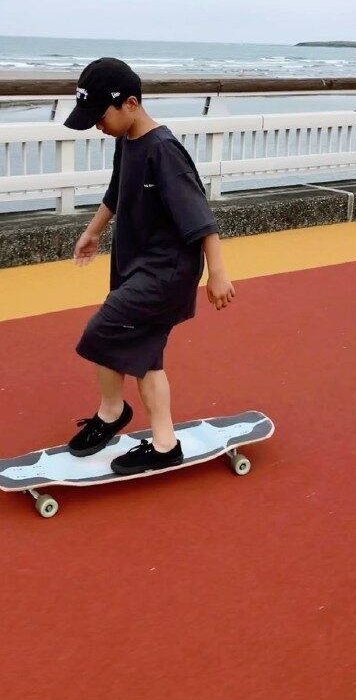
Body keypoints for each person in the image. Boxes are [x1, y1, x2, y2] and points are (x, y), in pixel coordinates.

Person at [63, 57, 235, 476]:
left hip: (166, 272)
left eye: (100, 116)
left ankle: (111, 412)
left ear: (131, 104)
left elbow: (200, 216)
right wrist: (94, 232)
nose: (97, 127)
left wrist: (217, 272)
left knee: (103, 330)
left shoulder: (164, 151)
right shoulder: (127, 141)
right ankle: (165, 444)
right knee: (146, 356)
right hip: (138, 265)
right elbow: (116, 191)